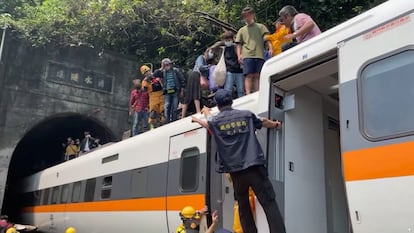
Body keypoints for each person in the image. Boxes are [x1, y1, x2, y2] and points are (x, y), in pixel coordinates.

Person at [192, 89, 286, 233]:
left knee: (243, 207)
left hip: (236, 173)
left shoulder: (215, 121)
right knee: (269, 203)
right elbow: (263, 122)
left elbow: (208, 120)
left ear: (218, 105)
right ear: (231, 101)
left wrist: (204, 111)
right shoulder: (246, 115)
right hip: (254, 167)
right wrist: (276, 125)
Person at [235, 6, 272, 94]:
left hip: (259, 54)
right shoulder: (242, 30)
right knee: (248, 75)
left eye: (248, 15)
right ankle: (248, 94)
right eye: (245, 16)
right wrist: (239, 55)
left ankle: (257, 93)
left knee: (257, 75)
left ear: (253, 15)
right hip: (247, 54)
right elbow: (238, 44)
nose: (246, 18)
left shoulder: (261, 27)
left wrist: (270, 47)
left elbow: (267, 38)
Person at [161, 58, 185, 123]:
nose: (166, 66)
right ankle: (167, 121)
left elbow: (182, 80)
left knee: (175, 107)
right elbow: (155, 74)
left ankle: (174, 120)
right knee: (167, 106)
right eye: (165, 65)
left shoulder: (175, 70)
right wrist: (161, 68)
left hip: (175, 90)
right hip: (167, 91)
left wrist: (182, 90)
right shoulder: (163, 73)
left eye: (167, 64)